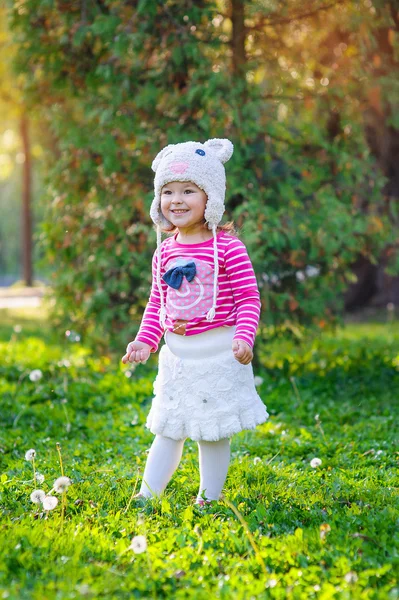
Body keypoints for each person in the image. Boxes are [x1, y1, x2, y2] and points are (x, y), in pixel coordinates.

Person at [121, 138, 269, 507]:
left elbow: (249, 299)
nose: (177, 200)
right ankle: (147, 495)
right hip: (178, 359)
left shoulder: (228, 248)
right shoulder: (165, 250)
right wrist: (145, 341)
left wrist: (244, 337)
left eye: (189, 191)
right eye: (168, 192)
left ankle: (208, 499)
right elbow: (158, 302)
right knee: (168, 430)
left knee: (212, 433)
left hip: (218, 356)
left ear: (210, 199)